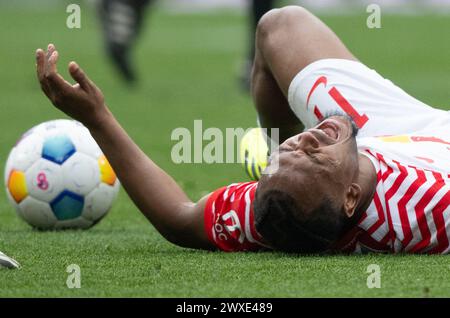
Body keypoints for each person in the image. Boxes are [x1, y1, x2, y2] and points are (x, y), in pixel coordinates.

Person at [35, 6, 450, 254]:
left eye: (288, 150)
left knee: (280, 26)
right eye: (310, 153)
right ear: (351, 198)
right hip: (416, 140)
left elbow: (179, 220)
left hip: (365, 140)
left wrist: (97, 117)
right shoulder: (429, 207)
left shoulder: (282, 208)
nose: (305, 136)